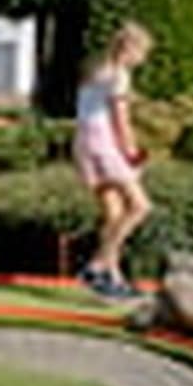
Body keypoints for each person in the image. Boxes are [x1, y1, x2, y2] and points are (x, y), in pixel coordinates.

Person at [73, 23, 154, 301]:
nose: (143, 59)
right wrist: (131, 154)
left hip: (83, 145)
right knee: (141, 207)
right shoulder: (120, 76)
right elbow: (121, 120)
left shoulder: (95, 72)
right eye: (143, 52)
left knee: (114, 215)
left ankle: (113, 278)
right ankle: (96, 266)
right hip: (104, 145)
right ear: (130, 49)